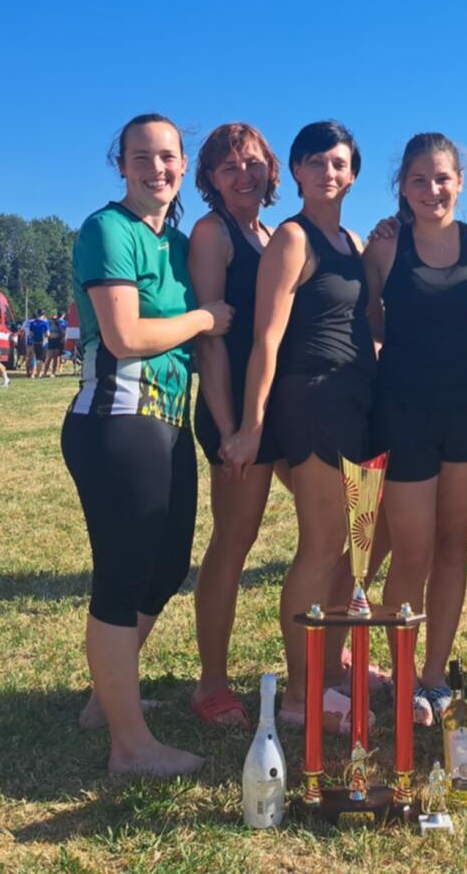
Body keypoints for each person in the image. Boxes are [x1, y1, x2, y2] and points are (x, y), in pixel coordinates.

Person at [62, 112, 232, 776]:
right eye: (142, 156)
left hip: (168, 423)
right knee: (123, 574)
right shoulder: (108, 229)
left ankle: (106, 702)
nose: (156, 168)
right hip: (117, 421)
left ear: (183, 166)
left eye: (167, 157)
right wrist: (204, 318)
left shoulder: (178, 243)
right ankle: (130, 747)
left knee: (164, 570)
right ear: (122, 165)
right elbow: (125, 336)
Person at [222, 121, 376, 730]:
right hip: (312, 400)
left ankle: (330, 671)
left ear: (353, 174)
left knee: (348, 547)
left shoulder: (354, 242)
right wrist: (252, 425)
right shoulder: (292, 238)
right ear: (296, 173)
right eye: (315, 162)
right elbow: (267, 337)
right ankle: (298, 697)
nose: (327, 172)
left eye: (338, 163)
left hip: (358, 402)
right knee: (322, 545)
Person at [363, 133, 467, 725]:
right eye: (419, 179)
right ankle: (400, 676)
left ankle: (434, 675)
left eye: (442, 178)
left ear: (459, 182)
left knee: (452, 547)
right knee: (411, 552)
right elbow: (367, 322)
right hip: (403, 413)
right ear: (403, 186)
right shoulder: (384, 248)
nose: (432, 189)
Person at [186, 122, 283, 727]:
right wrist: (230, 430)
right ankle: (211, 685)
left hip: (277, 407)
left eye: (252, 163)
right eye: (229, 167)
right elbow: (211, 338)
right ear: (210, 179)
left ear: (271, 168)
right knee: (233, 543)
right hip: (236, 417)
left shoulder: (272, 234)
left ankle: (332, 659)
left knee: (339, 525)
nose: (243, 175)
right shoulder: (213, 232)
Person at [26, 311, 51, 378]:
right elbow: (47, 334)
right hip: (43, 343)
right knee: (41, 359)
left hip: (35, 342)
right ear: (43, 315)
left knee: (35, 358)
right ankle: (38, 373)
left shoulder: (32, 323)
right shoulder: (45, 323)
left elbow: (31, 334)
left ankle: (33, 373)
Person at [45, 311, 66, 376]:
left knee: (55, 357)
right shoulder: (49, 323)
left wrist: (62, 338)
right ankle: (45, 372)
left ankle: (53, 372)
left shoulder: (59, 324)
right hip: (51, 340)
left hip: (57, 340)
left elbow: (63, 333)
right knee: (49, 357)